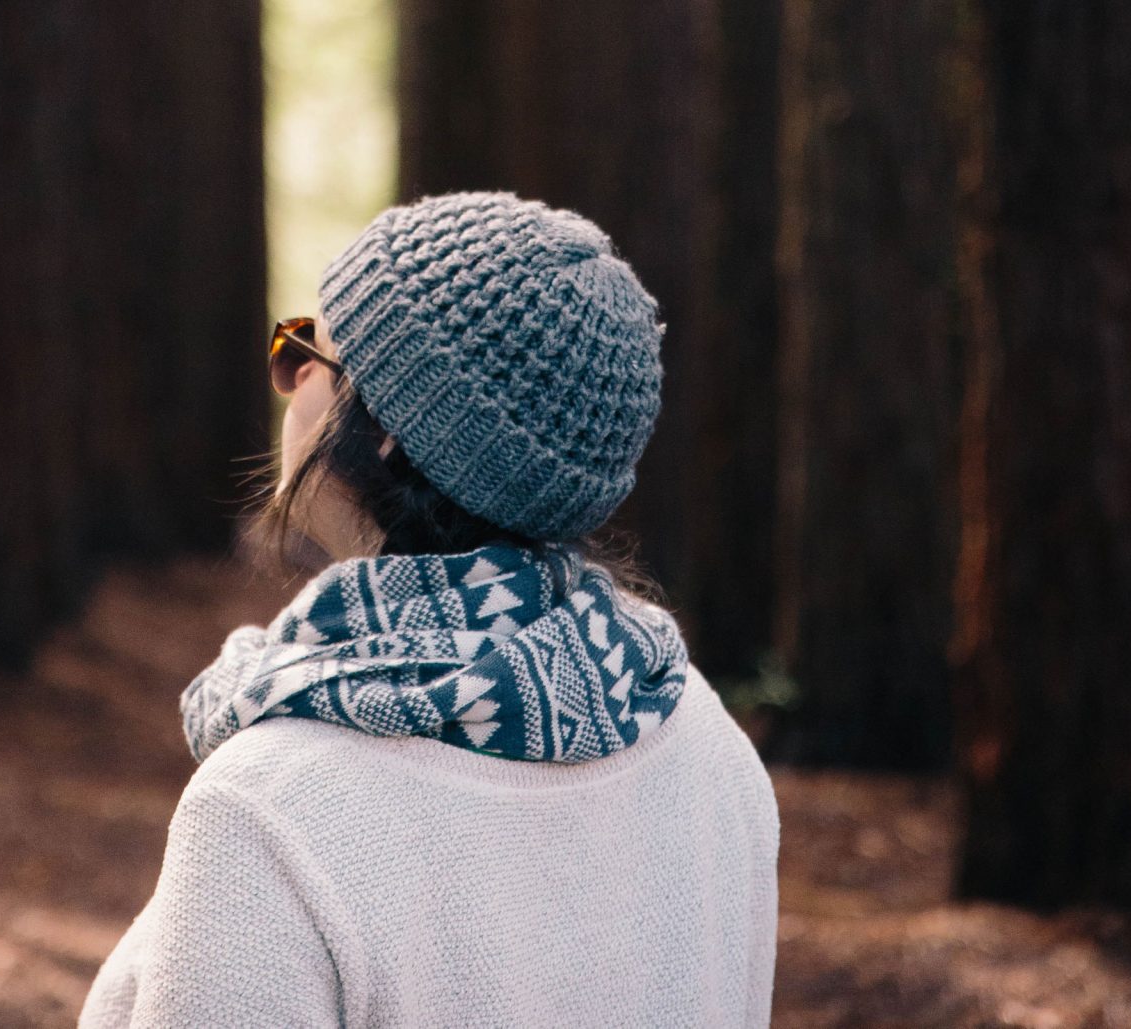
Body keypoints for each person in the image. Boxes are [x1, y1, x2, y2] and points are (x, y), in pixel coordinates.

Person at [78, 191, 780, 1028]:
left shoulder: (267, 811)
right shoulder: (706, 745)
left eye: (309, 352)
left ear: (390, 436)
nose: (289, 373)